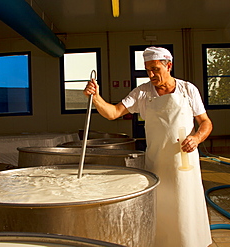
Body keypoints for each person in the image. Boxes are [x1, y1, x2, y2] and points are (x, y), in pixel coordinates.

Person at [83, 47, 213, 247]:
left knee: (186, 208)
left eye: (155, 69)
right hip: (158, 163)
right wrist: (96, 97)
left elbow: (205, 122)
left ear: (168, 66)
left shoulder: (188, 90)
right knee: (161, 210)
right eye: (147, 70)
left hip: (184, 165)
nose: (151, 75)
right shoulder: (142, 92)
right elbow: (113, 112)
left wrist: (196, 138)